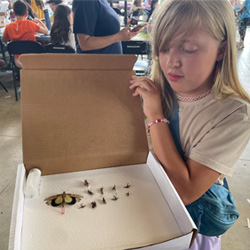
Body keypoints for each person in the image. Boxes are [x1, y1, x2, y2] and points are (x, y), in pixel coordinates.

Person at [129, 0, 250, 249]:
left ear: (221, 50)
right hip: (144, 209)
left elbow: (185, 191)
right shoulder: (156, 90)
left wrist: (155, 115)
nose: (171, 61)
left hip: (190, 228)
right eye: (163, 48)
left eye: (189, 49)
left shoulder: (235, 113)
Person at [72, 0, 138, 54]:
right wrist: (119, 36)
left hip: (107, 65)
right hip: (96, 66)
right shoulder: (86, 2)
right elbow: (84, 44)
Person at [1, 0, 48, 68]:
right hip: (33, 58)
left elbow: (3, 40)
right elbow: (46, 31)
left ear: (13, 13)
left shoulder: (9, 27)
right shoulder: (31, 24)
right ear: (27, 14)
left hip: (19, 59)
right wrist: (39, 21)